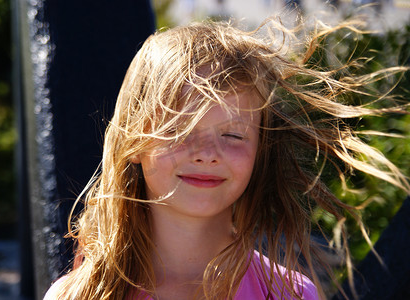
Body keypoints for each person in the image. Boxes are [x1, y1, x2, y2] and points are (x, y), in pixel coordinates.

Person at [43, 19, 409, 299]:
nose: (206, 154)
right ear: (134, 141)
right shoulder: (79, 293)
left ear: (259, 151)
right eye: (180, 128)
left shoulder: (289, 294)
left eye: (232, 135)